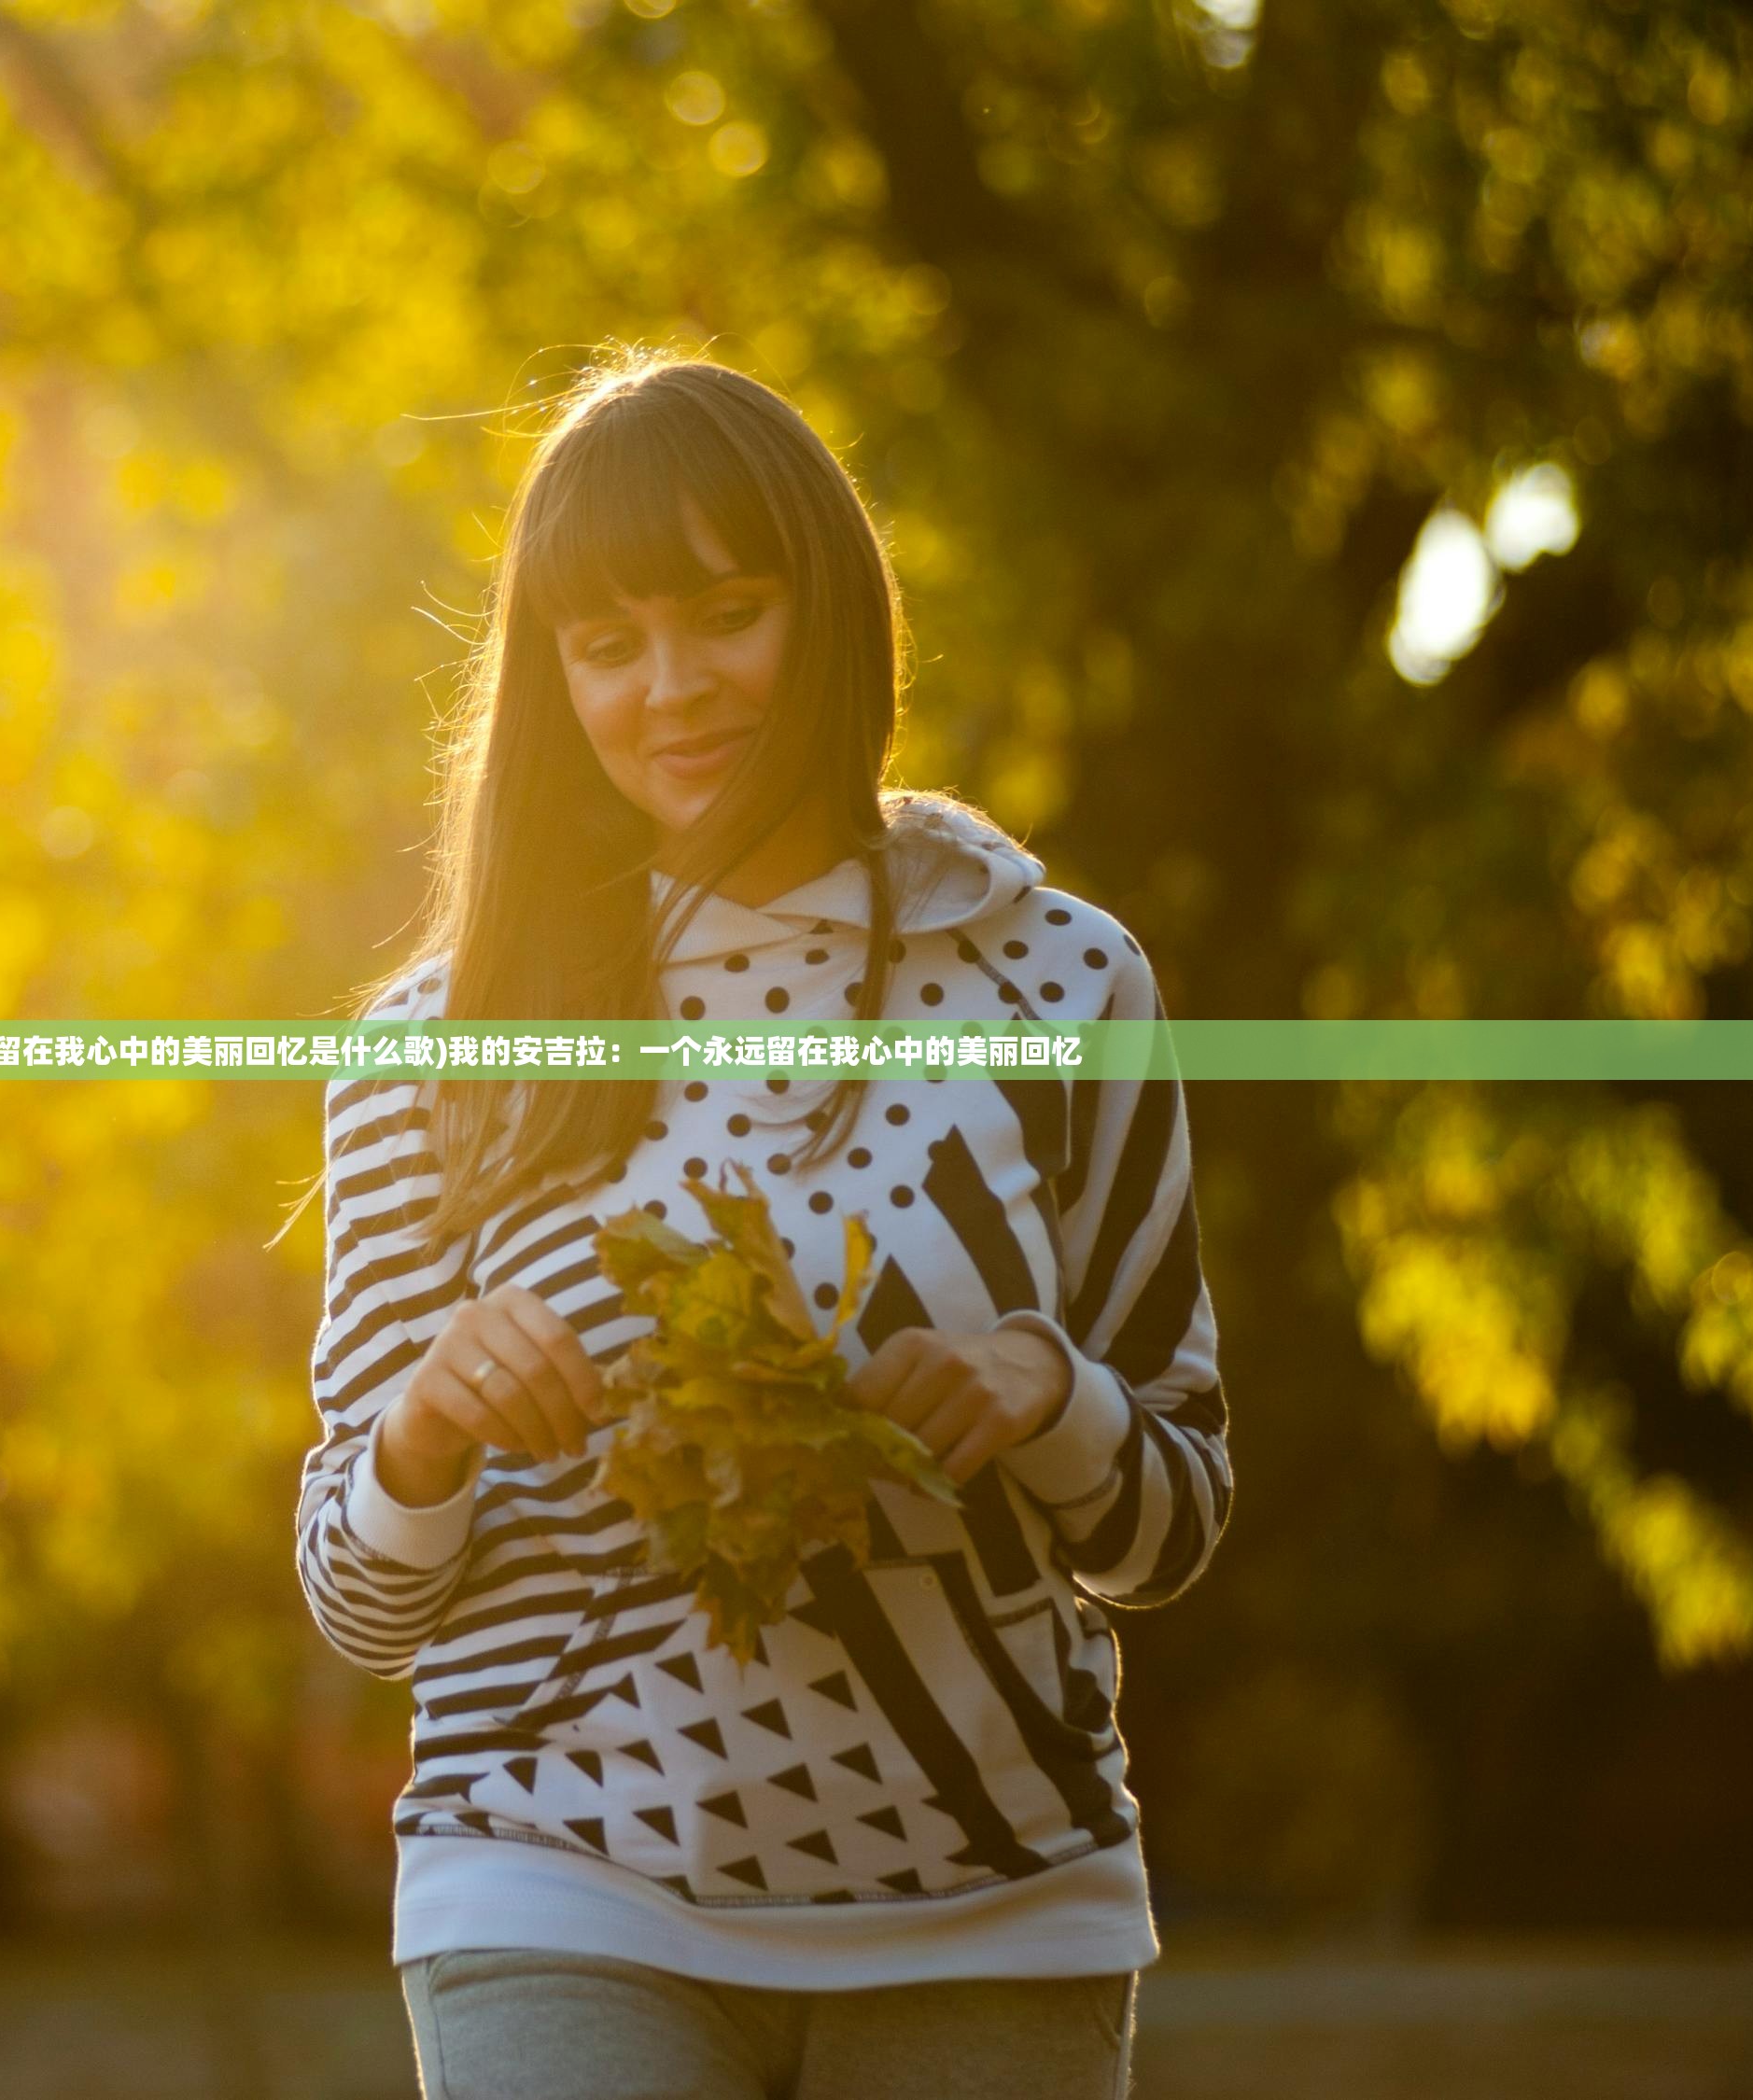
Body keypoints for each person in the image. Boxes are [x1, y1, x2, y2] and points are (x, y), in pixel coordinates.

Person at [287, 354, 1230, 2100]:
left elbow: (1171, 1522)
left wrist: (1052, 1391)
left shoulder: (1056, 980)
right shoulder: (441, 1045)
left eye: (727, 612)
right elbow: (353, 1591)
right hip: (554, 1877)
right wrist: (423, 1422)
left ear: (838, 612)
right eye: (607, 641)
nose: (671, 687)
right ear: (552, 676)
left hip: (991, 1905)